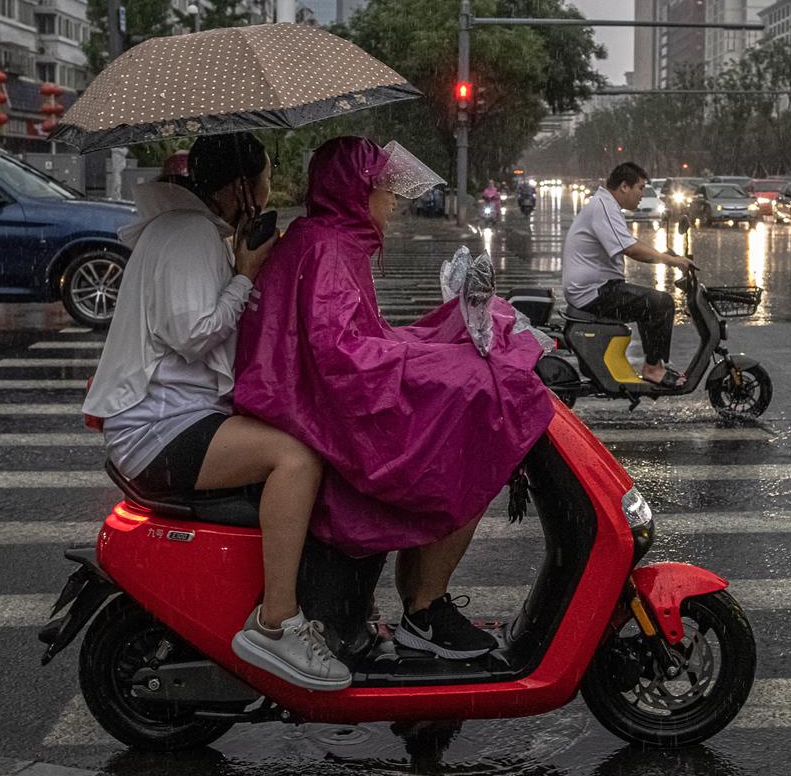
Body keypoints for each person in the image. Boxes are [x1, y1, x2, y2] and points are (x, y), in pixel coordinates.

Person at [233, 136, 552, 659]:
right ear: (354, 191)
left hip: (317, 403)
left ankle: (424, 604)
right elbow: (341, 358)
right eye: (384, 190)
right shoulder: (329, 248)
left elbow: (353, 338)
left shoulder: (326, 238)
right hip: (329, 414)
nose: (394, 201)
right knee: (473, 430)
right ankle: (426, 610)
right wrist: (429, 362)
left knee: (463, 385)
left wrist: (436, 342)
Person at [84, 133, 349, 691]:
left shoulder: (194, 232)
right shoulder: (188, 235)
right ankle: (278, 621)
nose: (270, 185)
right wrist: (246, 273)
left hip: (177, 415)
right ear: (241, 188)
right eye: (267, 173)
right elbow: (193, 332)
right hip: (158, 427)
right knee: (296, 460)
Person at [562, 162, 697, 387]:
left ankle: (655, 366)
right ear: (624, 186)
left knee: (649, 303)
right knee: (660, 303)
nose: (642, 195)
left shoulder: (606, 205)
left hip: (598, 288)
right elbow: (631, 248)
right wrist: (671, 261)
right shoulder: (604, 206)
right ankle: (654, 369)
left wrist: (663, 255)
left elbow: (630, 243)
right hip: (593, 292)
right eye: (641, 188)